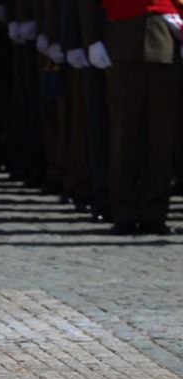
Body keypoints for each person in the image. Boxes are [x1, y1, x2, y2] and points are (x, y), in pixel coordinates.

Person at [80, 0, 181, 235]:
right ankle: (123, 211)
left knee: (161, 139)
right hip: (122, 40)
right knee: (123, 135)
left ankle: (155, 213)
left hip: (166, 43)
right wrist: (92, 40)